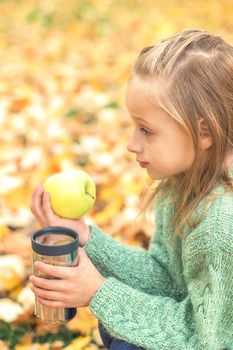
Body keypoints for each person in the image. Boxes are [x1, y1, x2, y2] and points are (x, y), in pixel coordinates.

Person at [30, 29, 233, 349]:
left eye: (146, 130)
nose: (131, 145)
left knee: (122, 331)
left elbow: (207, 339)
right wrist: (85, 236)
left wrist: (98, 292)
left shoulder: (221, 223)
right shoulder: (180, 186)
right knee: (117, 325)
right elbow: (166, 280)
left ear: (204, 132)